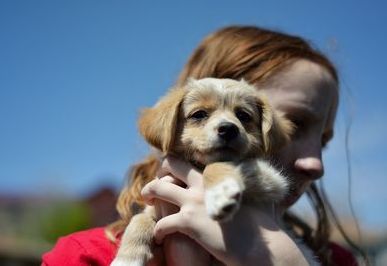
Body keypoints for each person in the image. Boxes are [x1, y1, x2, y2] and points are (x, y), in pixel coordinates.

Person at [42, 25, 363, 266]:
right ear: (173, 124)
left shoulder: (339, 261)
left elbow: (261, 180)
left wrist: (279, 256)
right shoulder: (82, 258)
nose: (316, 163)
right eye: (295, 124)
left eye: (244, 116)